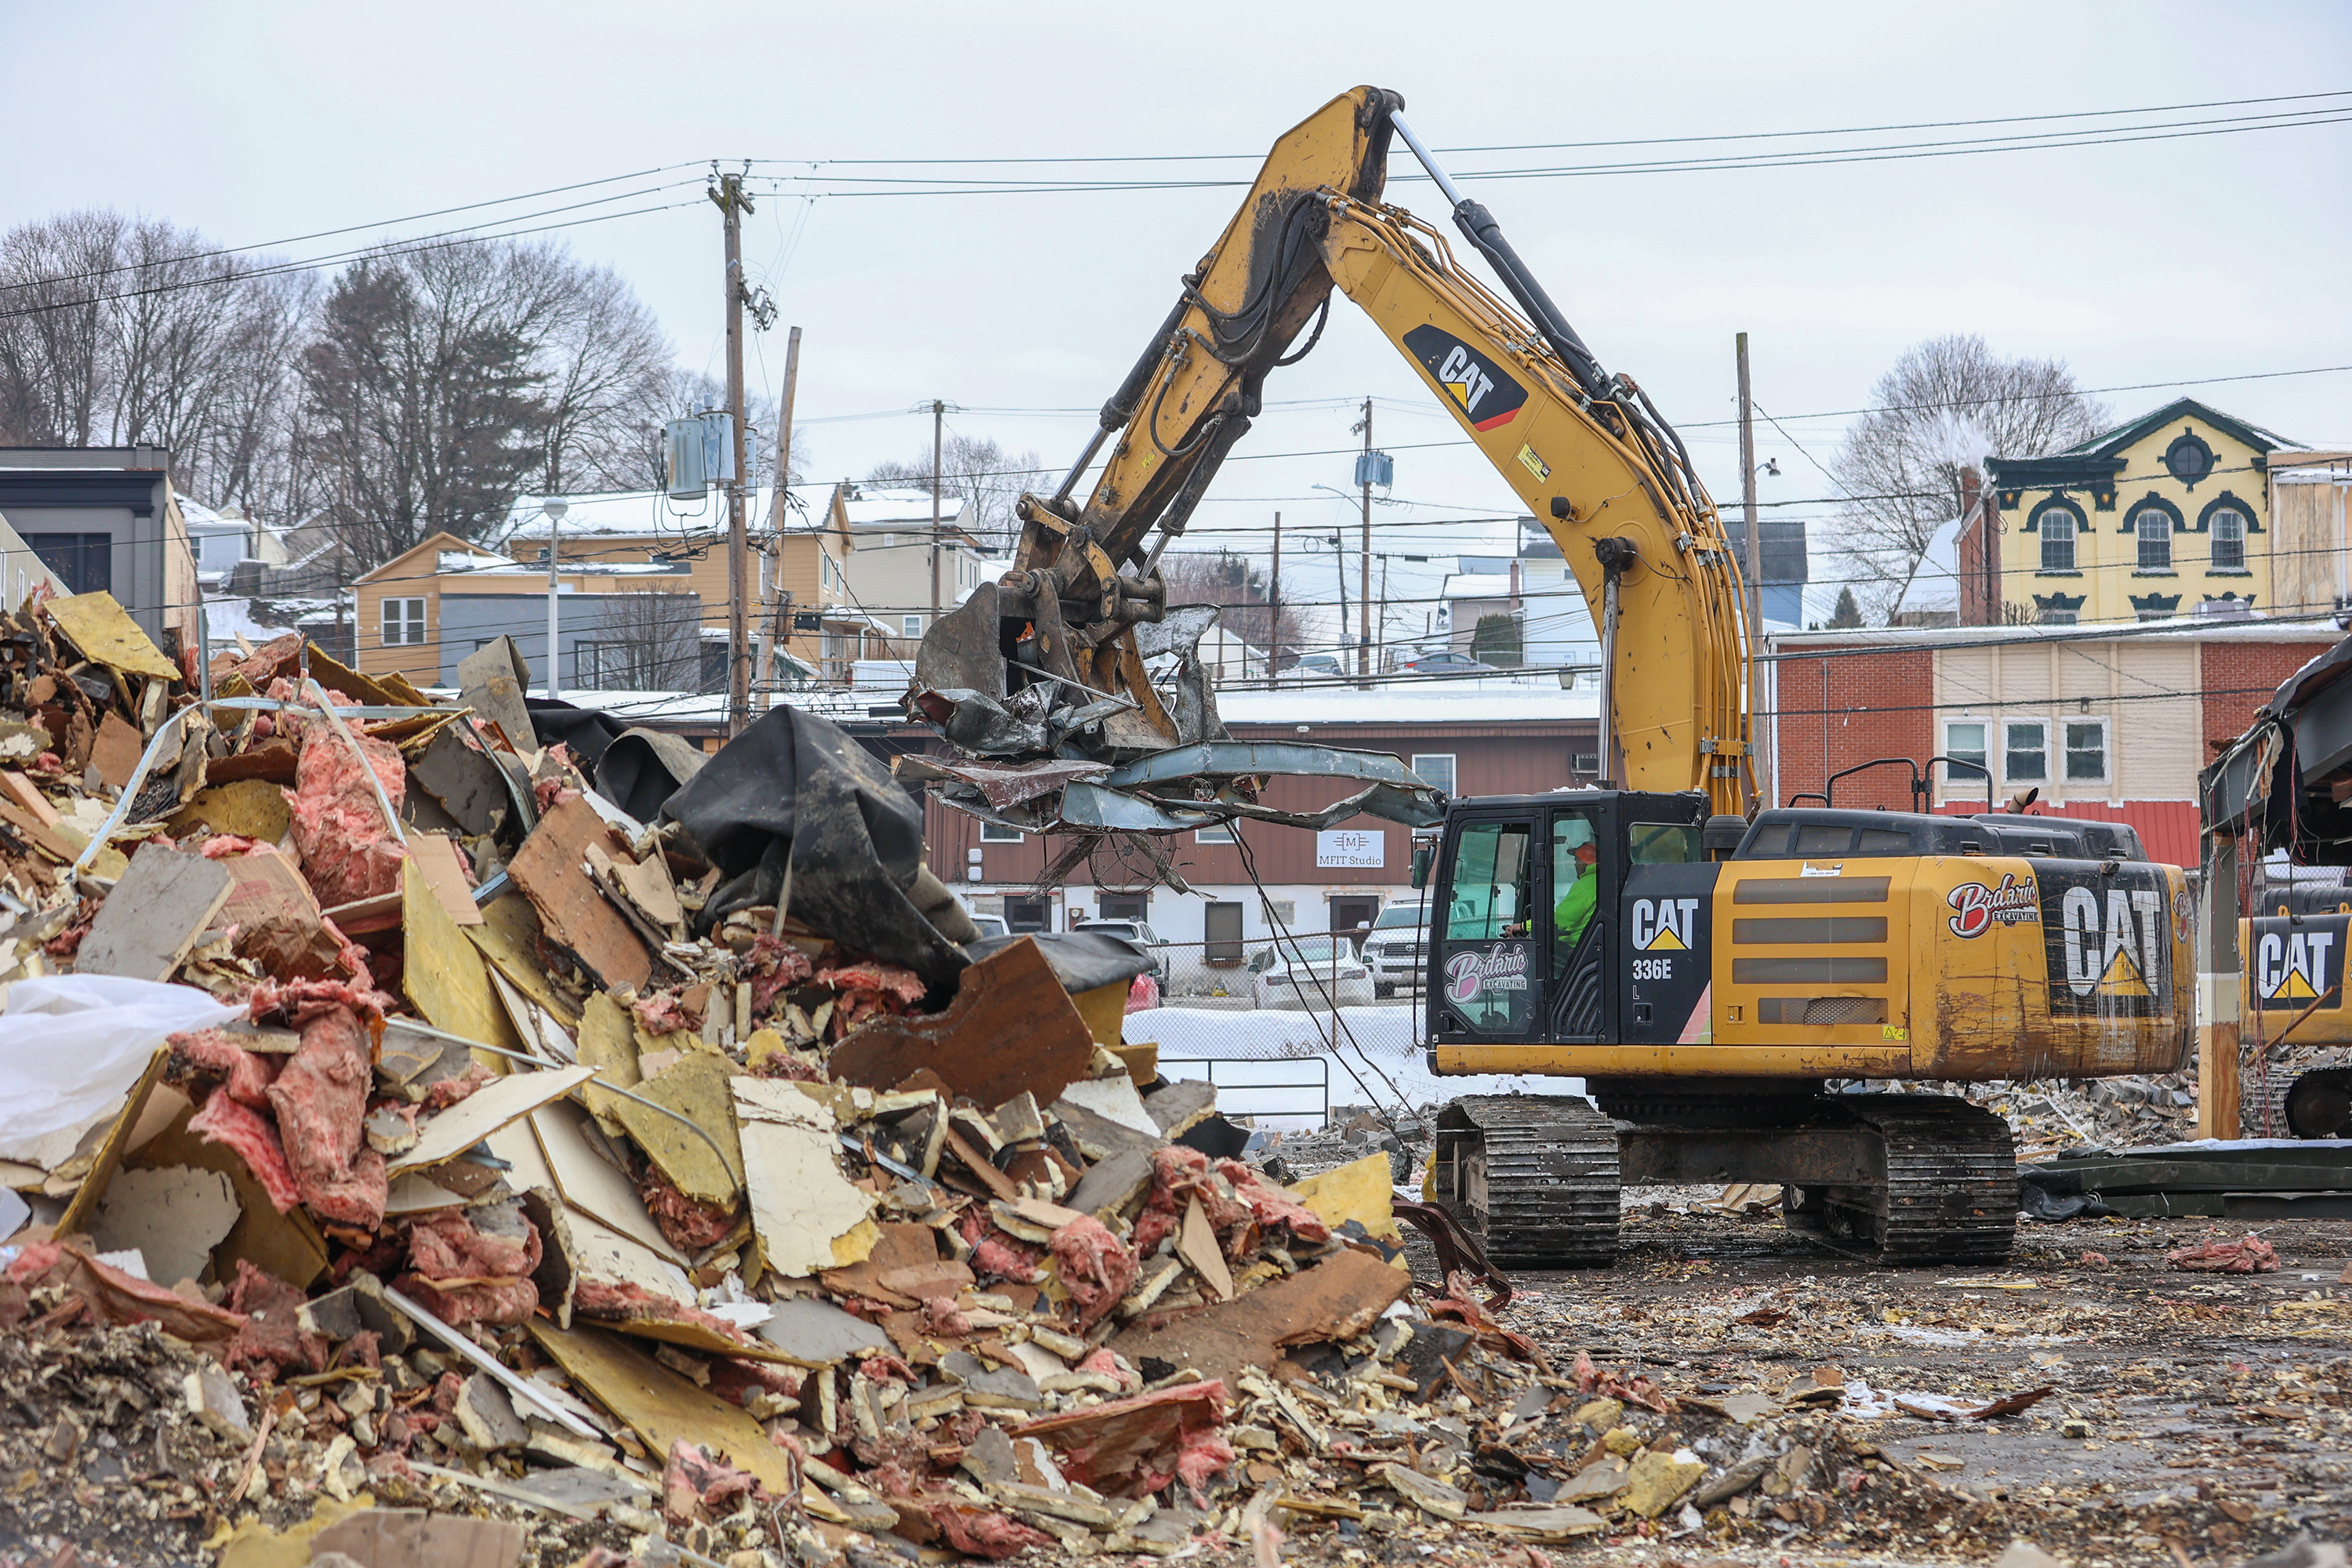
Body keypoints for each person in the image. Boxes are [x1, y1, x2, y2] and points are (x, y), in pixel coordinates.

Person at [1554, 823, 1599, 949]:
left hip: (1576, 947)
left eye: (1576, 861)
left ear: (1585, 863)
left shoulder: (1585, 886)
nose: (1574, 865)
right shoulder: (1599, 882)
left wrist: (1525, 926)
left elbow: (1562, 918)